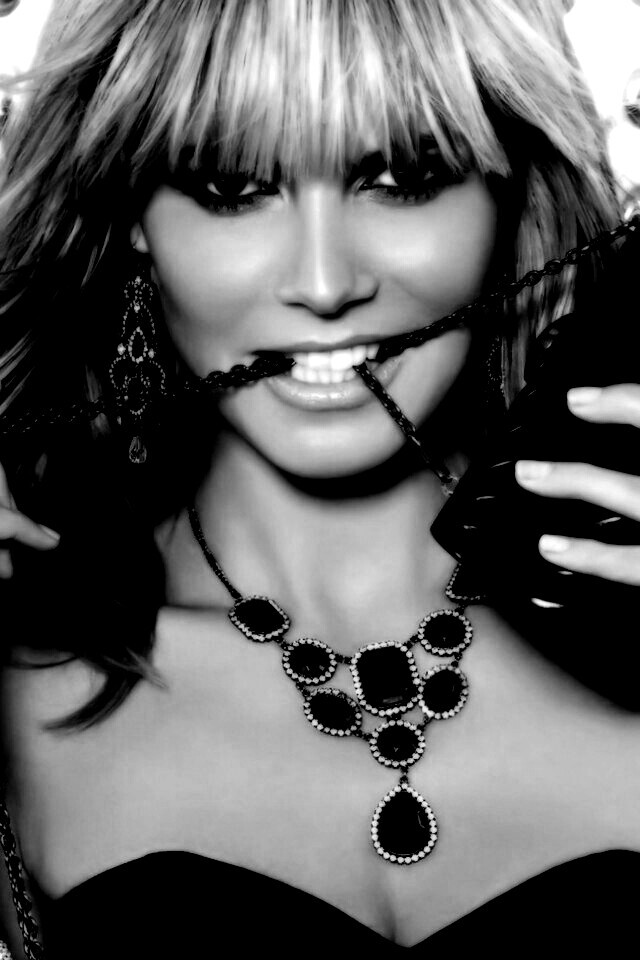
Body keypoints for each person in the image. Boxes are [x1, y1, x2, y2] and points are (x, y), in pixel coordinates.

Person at [0, 1, 639, 957]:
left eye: (404, 180)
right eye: (233, 187)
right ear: (132, 215)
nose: (327, 282)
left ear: (508, 190)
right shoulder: (21, 680)